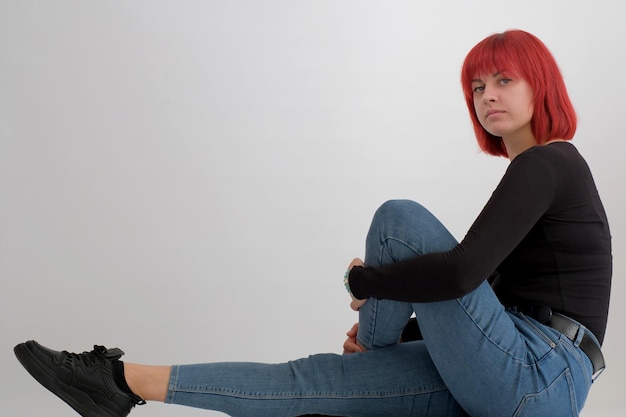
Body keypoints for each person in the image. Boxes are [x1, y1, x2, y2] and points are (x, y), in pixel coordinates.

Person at [14, 29, 611, 417]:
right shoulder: (533, 179)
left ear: (541, 85)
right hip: (515, 384)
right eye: (477, 86)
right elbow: (476, 312)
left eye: (504, 80)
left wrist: (367, 287)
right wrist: (399, 333)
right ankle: (118, 381)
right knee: (309, 385)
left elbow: (461, 275)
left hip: (540, 376)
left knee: (398, 221)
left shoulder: (549, 162)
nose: (486, 96)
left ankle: (369, 352)